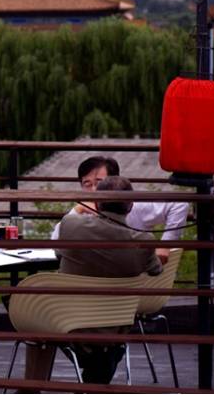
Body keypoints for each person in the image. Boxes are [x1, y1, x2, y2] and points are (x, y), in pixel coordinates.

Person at [23, 176, 162, 387]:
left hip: (67, 321)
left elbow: (59, 253)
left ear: (96, 203)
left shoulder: (71, 226)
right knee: (104, 352)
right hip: (114, 326)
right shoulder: (144, 242)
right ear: (131, 206)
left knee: (35, 311)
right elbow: (156, 270)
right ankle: (96, 375)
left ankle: (32, 388)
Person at [50, 155, 190, 264]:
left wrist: (166, 244)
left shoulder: (133, 205)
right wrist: (78, 209)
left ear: (114, 182)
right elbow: (55, 241)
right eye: (87, 184)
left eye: (99, 183)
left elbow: (179, 204)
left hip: (132, 278)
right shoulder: (81, 211)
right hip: (94, 278)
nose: (93, 190)